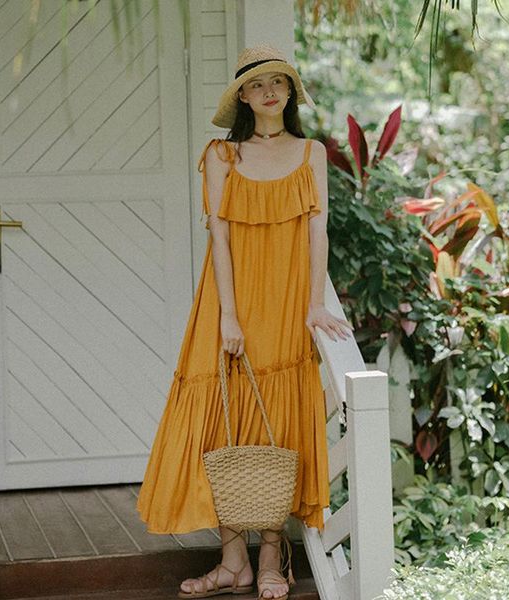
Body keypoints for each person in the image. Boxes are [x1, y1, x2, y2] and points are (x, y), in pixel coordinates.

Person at [136, 43, 353, 600]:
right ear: (242, 98)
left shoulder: (310, 153)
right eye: (257, 85)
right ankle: (233, 562)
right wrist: (228, 315)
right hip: (230, 303)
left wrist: (313, 304)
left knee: (276, 429)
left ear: (289, 92)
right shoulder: (221, 156)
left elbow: (318, 232)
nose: (269, 91)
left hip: (284, 302)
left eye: (278, 82)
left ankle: (272, 560)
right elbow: (221, 237)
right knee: (223, 423)